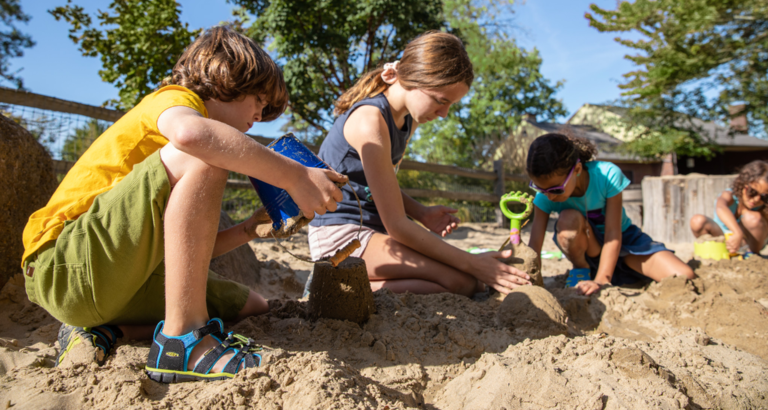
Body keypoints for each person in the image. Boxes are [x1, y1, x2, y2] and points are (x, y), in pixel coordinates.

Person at [21, 26, 346, 382]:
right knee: (209, 151)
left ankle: (107, 331)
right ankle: (184, 343)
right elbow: (193, 136)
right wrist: (295, 176)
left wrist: (248, 230)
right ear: (226, 76)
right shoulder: (175, 100)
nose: (260, 114)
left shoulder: (190, 150)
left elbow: (182, 253)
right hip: (64, 265)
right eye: (259, 100)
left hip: (111, 283)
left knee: (251, 306)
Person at [307, 31, 531, 296]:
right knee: (463, 281)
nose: (444, 113)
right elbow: (397, 225)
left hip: (373, 231)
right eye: (441, 100)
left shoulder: (406, 121)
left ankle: (348, 285)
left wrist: (421, 213)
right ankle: (331, 284)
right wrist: (472, 262)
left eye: (451, 105)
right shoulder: (370, 121)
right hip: (342, 235)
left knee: (463, 280)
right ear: (412, 79)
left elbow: (377, 186)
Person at [525, 133, 694, 296]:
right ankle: (581, 269)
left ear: (576, 169)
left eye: (555, 189)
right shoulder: (545, 196)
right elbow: (535, 247)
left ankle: (616, 270)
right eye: (540, 188)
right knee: (568, 218)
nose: (550, 196)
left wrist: (601, 281)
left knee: (684, 276)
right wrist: (531, 281)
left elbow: (613, 233)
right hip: (590, 251)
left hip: (624, 242)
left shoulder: (606, 175)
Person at [690, 160, 768, 255]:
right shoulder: (729, 195)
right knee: (697, 221)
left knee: (753, 218)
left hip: (749, 243)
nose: (756, 199)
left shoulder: (764, 206)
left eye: (764, 196)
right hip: (722, 237)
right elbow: (721, 208)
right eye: (752, 192)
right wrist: (737, 232)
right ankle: (712, 251)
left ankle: (752, 255)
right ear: (743, 183)